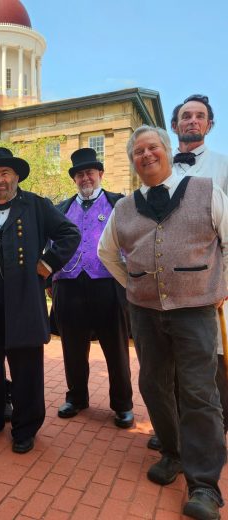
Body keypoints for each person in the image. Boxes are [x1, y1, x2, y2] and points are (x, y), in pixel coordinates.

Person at [98, 125, 227, 520]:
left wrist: (221, 284)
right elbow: (107, 253)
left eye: (152, 147)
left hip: (196, 311)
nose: (146, 154)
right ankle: (172, 453)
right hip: (145, 314)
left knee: (199, 392)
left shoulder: (206, 191)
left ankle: (204, 484)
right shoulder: (123, 208)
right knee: (153, 385)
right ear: (132, 160)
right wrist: (135, 285)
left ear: (167, 151)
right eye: (138, 151)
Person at [0, 147, 80, 454]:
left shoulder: (36, 205)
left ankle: (25, 428)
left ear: (16, 176)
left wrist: (48, 264)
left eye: (5, 173)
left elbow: (69, 233)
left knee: (27, 369)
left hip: (23, 302)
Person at [53, 148, 133, 428]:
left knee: (116, 348)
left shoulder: (119, 204)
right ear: (74, 179)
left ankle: (123, 404)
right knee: (72, 348)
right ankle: (76, 398)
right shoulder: (61, 208)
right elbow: (50, 244)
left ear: (100, 174)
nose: (84, 178)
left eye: (89, 172)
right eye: (79, 174)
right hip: (70, 285)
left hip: (108, 284)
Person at [171, 93, 228, 436]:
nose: (192, 120)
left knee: (209, 360)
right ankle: (174, 426)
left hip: (209, 286)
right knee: (172, 360)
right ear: (175, 125)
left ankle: (213, 430)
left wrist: (225, 283)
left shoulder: (223, 166)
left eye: (199, 116)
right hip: (168, 286)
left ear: (209, 124)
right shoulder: (160, 167)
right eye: (186, 116)